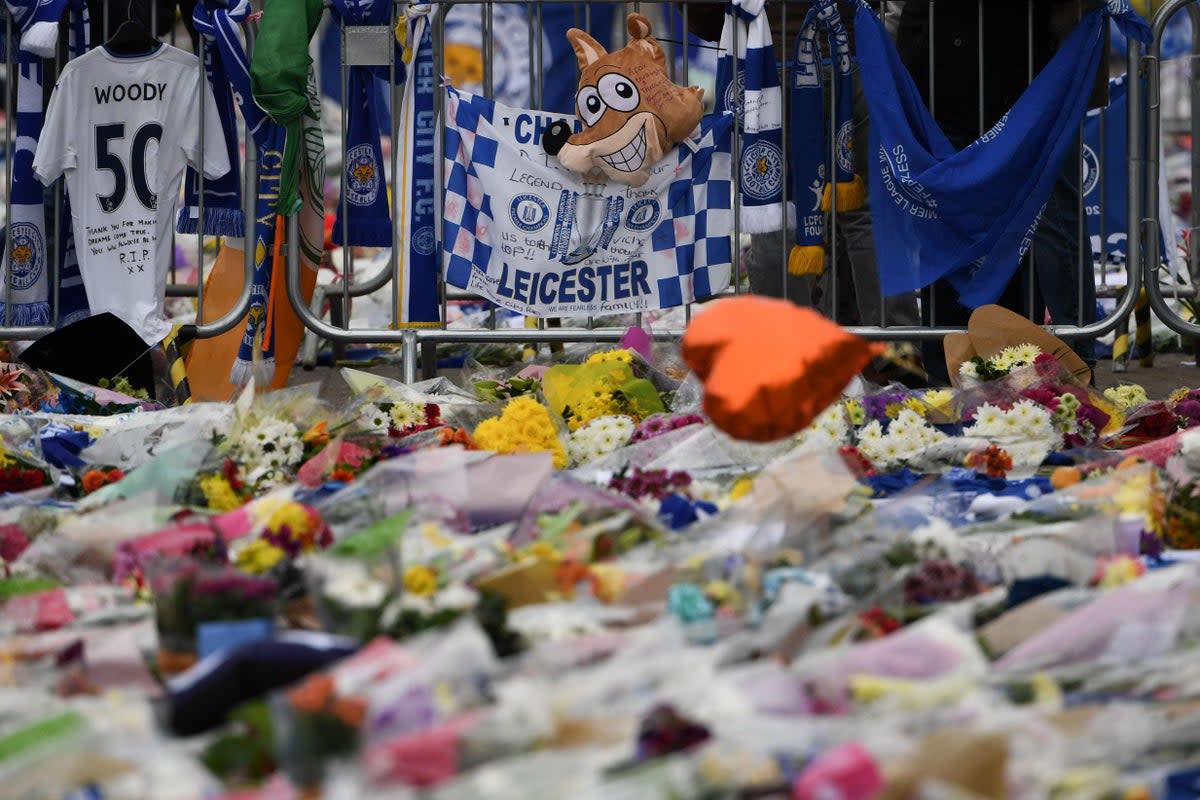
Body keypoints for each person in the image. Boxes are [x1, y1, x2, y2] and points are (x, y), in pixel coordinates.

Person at [895, 0, 1108, 383]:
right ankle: (953, 364)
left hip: (1036, 74)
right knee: (954, 222)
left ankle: (1071, 362)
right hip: (955, 75)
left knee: (1049, 223)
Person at [682, 2, 920, 331]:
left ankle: (788, 352)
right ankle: (898, 347)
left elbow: (704, 13)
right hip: (847, 61)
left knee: (774, 213)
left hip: (770, 67)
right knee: (867, 213)